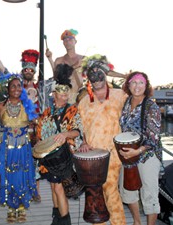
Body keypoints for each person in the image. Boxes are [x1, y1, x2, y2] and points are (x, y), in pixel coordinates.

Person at [0, 39, 43, 202]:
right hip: (14, 131)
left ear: (34, 71)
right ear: (23, 69)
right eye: (26, 68)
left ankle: (34, 191)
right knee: (14, 163)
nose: (29, 71)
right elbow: (2, 69)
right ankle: (15, 190)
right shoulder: (16, 86)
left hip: (34, 130)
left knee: (34, 161)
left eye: (32, 69)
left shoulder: (41, 88)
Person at [77, 54, 127, 225]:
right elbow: (81, 128)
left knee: (110, 189)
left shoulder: (120, 95)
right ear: (87, 77)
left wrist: (125, 77)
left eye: (100, 73)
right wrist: (83, 142)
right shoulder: (83, 102)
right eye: (93, 74)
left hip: (113, 153)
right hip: (92, 156)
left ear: (106, 74)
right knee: (94, 194)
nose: (97, 78)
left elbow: (139, 99)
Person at [35, 63, 83, 225]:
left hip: (64, 156)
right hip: (49, 158)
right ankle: (57, 216)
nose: (64, 96)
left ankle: (64, 221)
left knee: (58, 187)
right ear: (54, 94)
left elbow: (77, 131)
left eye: (66, 93)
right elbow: (40, 135)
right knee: (53, 187)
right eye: (61, 93)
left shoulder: (72, 110)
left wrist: (65, 134)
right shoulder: (46, 113)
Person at [0, 74, 38, 223]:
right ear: (8, 89)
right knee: (8, 175)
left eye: (19, 86)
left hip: (23, 147)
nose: (16, 89)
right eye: (13, 86)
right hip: (6, 148)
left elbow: (38, 123)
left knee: (23, 175)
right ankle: (11, 208)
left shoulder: (27, 105)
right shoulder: (0, 106)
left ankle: (22, 207)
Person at [118, 71, 162, 225]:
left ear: (146, 85)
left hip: (147, 155)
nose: (137, 86)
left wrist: (137, 151)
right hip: (127, 155)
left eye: (141, 82)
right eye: (134, 82)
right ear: (128, 85)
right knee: (128, 193)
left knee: (149, 196)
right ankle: (137, 222)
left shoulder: (151, 106)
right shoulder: (126, 102)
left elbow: (153, 138)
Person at [46, 28, 126, 104]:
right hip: (64, 98)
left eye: (70, 39)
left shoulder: (84, 60)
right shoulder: (59, 60)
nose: (67, 42)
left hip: (81, 97)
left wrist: (124, 76)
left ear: (75, 41)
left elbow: (104, 70)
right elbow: (56, 78)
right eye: (65, 40)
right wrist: (50, 59)